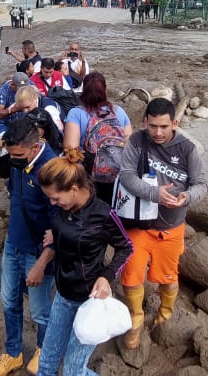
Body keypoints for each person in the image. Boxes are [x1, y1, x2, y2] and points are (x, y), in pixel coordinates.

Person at [115, 97, 208, 351]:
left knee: (167, 278)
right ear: (145, 121)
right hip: (138, 224)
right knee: (131, 275)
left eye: (164, 127)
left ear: (175, 124)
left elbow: (202, 184)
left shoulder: (187, 149)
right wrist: (155, 194)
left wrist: (186, 197)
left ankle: (165, 312)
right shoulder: (136, 140)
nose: (157, 132)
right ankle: (136, 320)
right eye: (153, 126)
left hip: (171, 227)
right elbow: (125, 175)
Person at [32, 148, 133, 376]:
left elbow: (126, 247)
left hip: (88, 301)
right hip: (63, 296)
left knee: (72, 371)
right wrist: (53, 241)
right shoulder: (62, 208)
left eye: (55, 198)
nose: (52, 203)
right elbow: (63, 236)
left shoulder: (103, 215)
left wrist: (106, 277)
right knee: (46, 363)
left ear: (74, 189)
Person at [0, 117, 58, 376]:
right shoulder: (17, 159)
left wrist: (41, 264)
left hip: (38, 251)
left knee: (41, 311)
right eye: (10, 153)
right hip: (13, 243)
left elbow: (60, 226)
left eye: (17, 154)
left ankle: (43, 349)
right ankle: (13, 352)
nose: (13, 159)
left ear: (33, 147)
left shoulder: (51, 171)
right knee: (9, 301)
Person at [63, 72, 132, 204]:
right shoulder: (118, 111)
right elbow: (129, 141)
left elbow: (70, 149)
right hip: (119, 174)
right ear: (105, 90)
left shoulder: (76, 113)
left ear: (83, 90)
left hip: (91, 176)